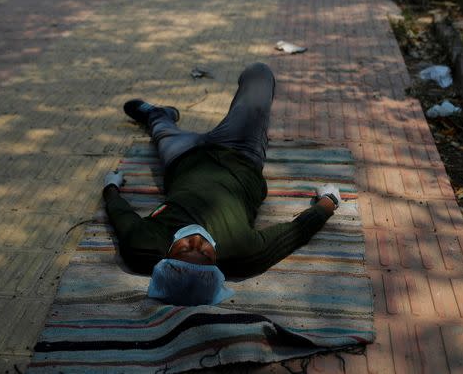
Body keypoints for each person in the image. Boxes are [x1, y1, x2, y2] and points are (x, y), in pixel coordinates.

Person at [102, 62, 341, 306]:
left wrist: (111, 186)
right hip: (239, 153)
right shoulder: (245, 252)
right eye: (205, 251)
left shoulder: (142, 245)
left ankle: (158, 114)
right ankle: (161, 118)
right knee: (259, 74)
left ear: (165, 259)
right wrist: (329, 201)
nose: (195, 240)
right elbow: (297, 231)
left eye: (184, 249)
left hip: (182, 159)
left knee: (161, 130)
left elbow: (120, 213)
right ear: (216, 264)